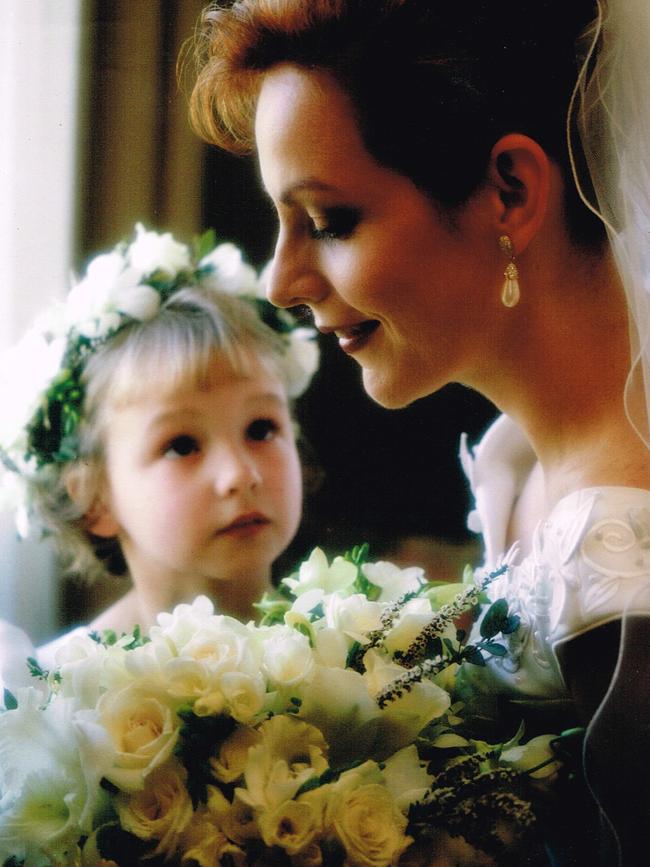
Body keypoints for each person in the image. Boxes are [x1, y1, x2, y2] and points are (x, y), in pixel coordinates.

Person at [188, 0, 650, 862]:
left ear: (508, 191)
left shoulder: (624, 551)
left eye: (328, 222)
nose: (281, 281)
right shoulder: (522, 454)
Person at [0, 223, 318, 678]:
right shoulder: (61, 694)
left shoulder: (362, 655)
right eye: (182, 444)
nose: (240, 474)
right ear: (95, 498)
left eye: (262, 429)